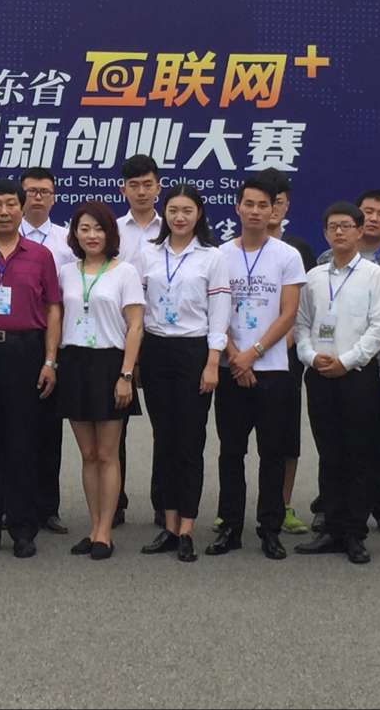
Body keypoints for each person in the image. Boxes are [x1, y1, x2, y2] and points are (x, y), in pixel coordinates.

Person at [0, 179, 62, 559]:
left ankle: (22, 527)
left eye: (10, 204)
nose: (4, 212)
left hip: (27, 351)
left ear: (22, 208)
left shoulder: (40, 255)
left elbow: (53, 308)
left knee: (23, 440)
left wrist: (50, 360)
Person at [209, 175, 306, 561]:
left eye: (263, 205)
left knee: (272, 453)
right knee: (231, 452)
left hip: (273, 369)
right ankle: (230, 526)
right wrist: (236, 356)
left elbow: (289, 313)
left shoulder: (287, 255)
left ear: (273, 210)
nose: (255, 211)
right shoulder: (219, 255)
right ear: (237, 207)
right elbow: (215, 313)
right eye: (248, 204)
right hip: (231, 368)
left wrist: (255, 352)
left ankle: (270, 528)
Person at [136, 184, 232, 563]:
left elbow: (219, 313)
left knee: (190, 441)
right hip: (156, 350)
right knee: (164, 439)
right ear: (165, 213)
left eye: (187, 211)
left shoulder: (212, 256)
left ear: (199, 214)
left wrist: (212, 361)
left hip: (194, 352)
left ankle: (188, 527)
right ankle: (170, 524)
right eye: (173, 210)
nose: (179, 217)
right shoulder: (149, 252)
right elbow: (139, 308)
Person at [293, 202, 380, 565]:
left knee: (357, 454)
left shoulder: (374, 275)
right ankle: (331, 528)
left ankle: (354, 533)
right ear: (324, 232)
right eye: (333, 226)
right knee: (329, 453)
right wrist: (309, 356)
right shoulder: (314, 276)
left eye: (346, 226)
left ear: (359, 231)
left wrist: (347, 361)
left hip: (357, 376)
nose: (339, 232)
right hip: (319, 374)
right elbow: (302, 323)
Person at [316, 189, 380, 536]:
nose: (373, 218)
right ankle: (330, 510)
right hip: (333, 361)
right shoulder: (325, 260)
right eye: (368, 211)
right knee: (335, 445)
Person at [58, 201, 143, 561]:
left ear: (110, 233)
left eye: (99, 229)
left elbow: (135, 326)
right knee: (88, 455)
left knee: (108, 454)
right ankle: (93, 526)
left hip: (110, 364)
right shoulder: (66, 272)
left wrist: (126, 374)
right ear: (75, 234)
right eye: (84, 229)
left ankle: (105, 531)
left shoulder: (125, 272)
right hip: (74, 362)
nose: (92, 235)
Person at [19, 167, 74, 536]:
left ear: (54, 198)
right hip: (17, 336)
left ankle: (46, 507)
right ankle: (13, 503)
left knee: (48, 428)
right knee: (13, 425)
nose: (37, 197)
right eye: (31, 191)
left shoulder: (67, 240)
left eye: (44, 191)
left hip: (55, 337)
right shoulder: (5, 234)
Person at [263, 169, 316, 537]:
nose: (270, 210)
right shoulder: (233, 249)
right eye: (264, 202)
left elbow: (303, 309)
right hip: (244, 359)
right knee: (236, 441)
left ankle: (282, 506)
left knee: (284, 438)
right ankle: (230, 509)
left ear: (285, 206)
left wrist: (282, 346)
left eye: (277, 202)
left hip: (286, 357)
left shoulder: (299, 251)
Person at [115, 154, 165, 529]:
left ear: (158, 187)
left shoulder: (175, 226)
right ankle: (113, 502)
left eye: (148, 184)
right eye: (134, 185)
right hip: (121, 336)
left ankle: (165, 503)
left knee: (165, 425)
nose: (142, 191)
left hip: (163, 337)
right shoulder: (113, 230)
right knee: (115, 425)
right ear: (123, 190)